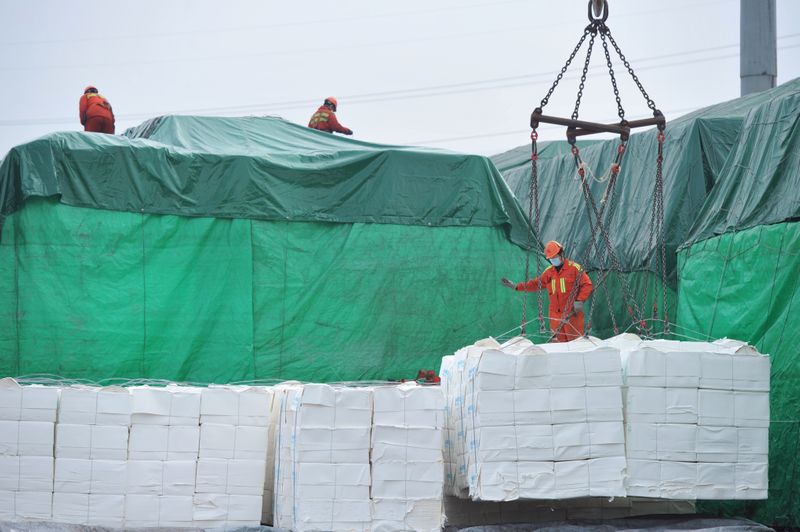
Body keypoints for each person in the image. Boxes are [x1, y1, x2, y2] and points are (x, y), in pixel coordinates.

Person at [501, 240, 593, 342]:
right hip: (555, 316)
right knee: (558, 345)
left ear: (561, 254)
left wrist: (579, 300)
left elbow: (587, 284)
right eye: (551, 258)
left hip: (571, 313)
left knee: (575, 343)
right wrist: (516, 286)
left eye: (555, 257)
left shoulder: (575, 268)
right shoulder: (549, 272)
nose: (553, 260)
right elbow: (535, 284)